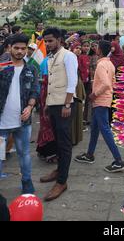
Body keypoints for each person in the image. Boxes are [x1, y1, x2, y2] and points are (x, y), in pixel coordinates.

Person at [75, 40, 124, 172]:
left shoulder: (102, 65)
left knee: (104, 129)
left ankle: (118, 160)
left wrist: (94, 94)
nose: (95, 49)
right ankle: (89, 154)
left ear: (100, 50)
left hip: (101, 100)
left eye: (96, 47)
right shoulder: (109, 63)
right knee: (95, 128)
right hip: (104, 99)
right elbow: (112, 83)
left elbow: (106, 84)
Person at [40, 28, 78, 202]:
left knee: (64, 143)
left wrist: (67, 103)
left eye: (50, 41)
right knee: (56, 140)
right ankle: (58, 171)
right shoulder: (51, 57)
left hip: (65, 105)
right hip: (53, 104)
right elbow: (52, 82)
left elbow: (72, 81)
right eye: (45, 41)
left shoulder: (68, 56)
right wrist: (48, 104)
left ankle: (62, 181)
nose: (47, 44)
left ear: (59, 40)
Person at [0, 34, 39, 194]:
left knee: (24, 155)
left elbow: (35, 91)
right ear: (9, 48)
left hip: (23, 122)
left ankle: (27, 182)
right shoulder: (2, 66)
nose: (20, 51)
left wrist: (30, 107)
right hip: (2, 123)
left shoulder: (31, 69)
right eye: (16, 48)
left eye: (23, 48)